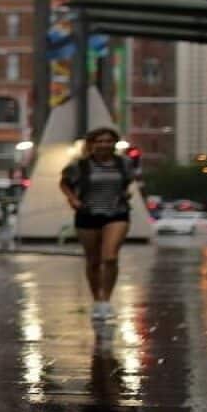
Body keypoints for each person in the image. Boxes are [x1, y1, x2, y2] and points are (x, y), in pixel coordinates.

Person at [60, 127, 138, 321]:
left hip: (117, 213)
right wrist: (73, 199)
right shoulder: (80, 165)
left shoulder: (124, 164)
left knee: (110, 257)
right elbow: (64, 183)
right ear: (92, 144)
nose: (104, 145)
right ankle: (96, 299)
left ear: (115, 144)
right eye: (100, 141)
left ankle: (106, 300)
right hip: (88, 213)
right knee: (93, 261)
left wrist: (126, 193)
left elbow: (128, 182)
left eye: (108, 141)